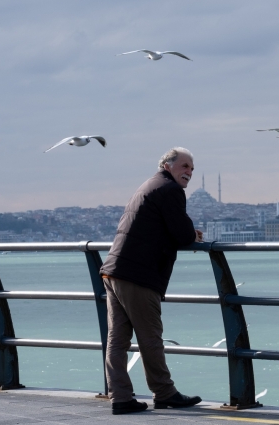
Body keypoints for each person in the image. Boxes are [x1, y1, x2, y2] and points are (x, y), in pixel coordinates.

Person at [100, 147, 204, 415]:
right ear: (168, 165)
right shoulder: (170, 190)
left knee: (117, 339)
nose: (189, 172)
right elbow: (182, 234)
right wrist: (192, 234)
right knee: (150, 336)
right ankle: (165, 392)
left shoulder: (148, 185)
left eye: (192, 168)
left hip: (114, 269)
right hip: (138, 274)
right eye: (184, 166)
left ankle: (120, 397)